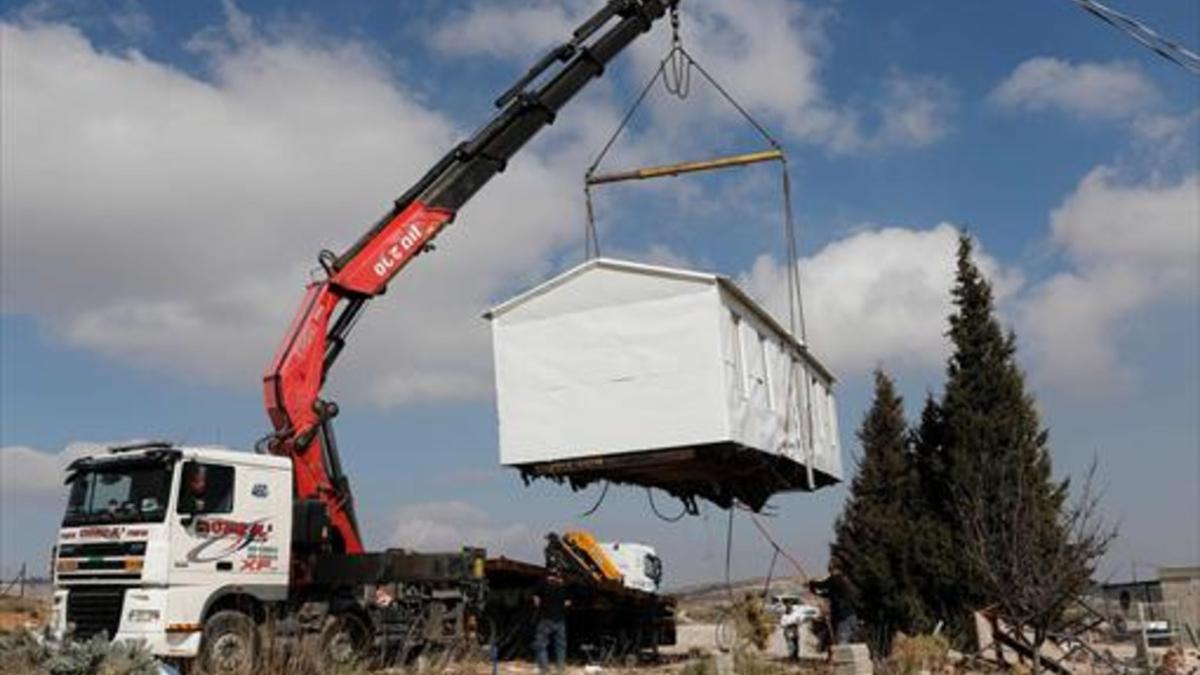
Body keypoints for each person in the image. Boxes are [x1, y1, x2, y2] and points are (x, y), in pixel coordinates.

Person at [808, 561, 859, 647]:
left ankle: (842, 660)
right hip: (850, 616)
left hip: (844, 617)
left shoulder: (836, 579)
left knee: (842, 643)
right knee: (842, 641)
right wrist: (817, 593)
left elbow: (822, 585)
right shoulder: (841, 582)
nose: (830, 572)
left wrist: (812, 583)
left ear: (836, 569)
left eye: (831, 569)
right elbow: (830, 593)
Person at [532, 568, 570, 674]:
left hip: (545, 618)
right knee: (561, 645)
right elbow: (567, 603)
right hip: (560, 620)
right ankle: (560, 668)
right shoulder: (564, 586)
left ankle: (544, 668)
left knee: (541, 644)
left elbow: (536, 600)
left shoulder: (543, 584)